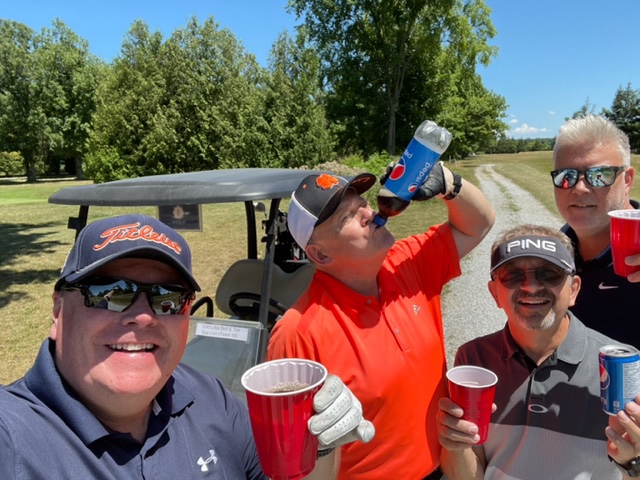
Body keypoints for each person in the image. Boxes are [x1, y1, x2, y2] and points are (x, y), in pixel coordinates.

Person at [0, 213, 374, 479]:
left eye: (168, 299)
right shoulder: (12, 439)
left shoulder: (208, 398)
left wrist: (317, 446)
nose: (142, 316)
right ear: (58, 311)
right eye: (111, 293)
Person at [267, 163, 495, 479]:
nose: (369, 213)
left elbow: (479, 224)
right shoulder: (298, 332)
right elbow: (291, 459)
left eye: (362, 203)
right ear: (320, 255)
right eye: (348, 217)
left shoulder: (406, 263)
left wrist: (448, 182)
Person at [437, 224, 640, 479]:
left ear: (574, 289)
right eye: (512, 275)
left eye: (549, 273)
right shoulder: (473, 359)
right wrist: (454, 444)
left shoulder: (619, 366)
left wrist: (634, 462)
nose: (531, 286)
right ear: (494, 293)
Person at [552, 115, 640, 347]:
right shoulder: (553, 251)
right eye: (566, 176)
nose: (580, 188)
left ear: (627, 180)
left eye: (599, 176)